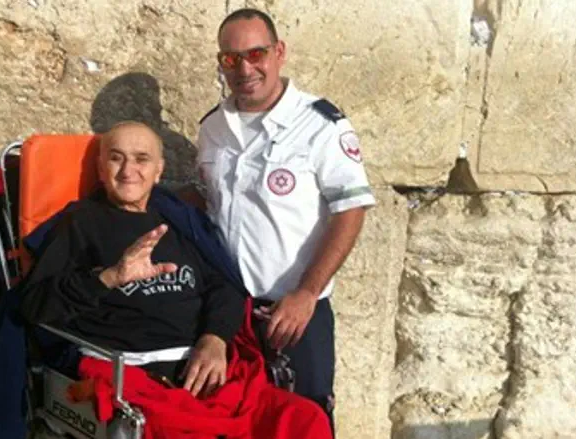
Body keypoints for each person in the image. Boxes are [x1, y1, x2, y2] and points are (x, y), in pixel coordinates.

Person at [191, 8, 377, 434]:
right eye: (230, 59)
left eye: (255, 53)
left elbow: (350, 209)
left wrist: (307, 292)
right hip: (229, 317)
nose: (244, 68)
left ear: (279, 52)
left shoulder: (320, 125)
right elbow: (206, 203)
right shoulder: (213, 128)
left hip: (292, 317)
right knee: (231, 424)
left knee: (302, 424)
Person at [19, 121, 244, 396]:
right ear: (101, 170)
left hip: (202, 364)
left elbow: (224, 285)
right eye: (116, 159)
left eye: (142, 159)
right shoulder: (79, 222)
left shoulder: (181, 220)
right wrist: (110, 277)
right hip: (124, 373)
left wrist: (215, 338)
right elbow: (35, 306)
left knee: (302, 419)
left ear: (158, 171)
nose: (128, 172)